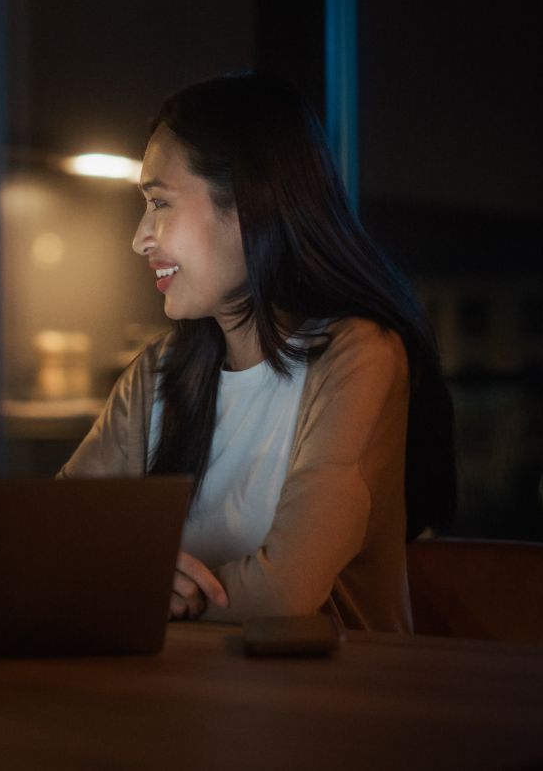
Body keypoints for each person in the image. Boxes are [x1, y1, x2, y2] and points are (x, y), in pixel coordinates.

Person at [59, 72, 456, 633]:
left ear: (250, 204)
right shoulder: (158, 372)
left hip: (331, 707)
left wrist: (130, 583)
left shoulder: (359, 357)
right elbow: (50, 543)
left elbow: (282, 593)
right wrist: (126, 577)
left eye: (159, 203)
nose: (140, 237)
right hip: (173, 700)